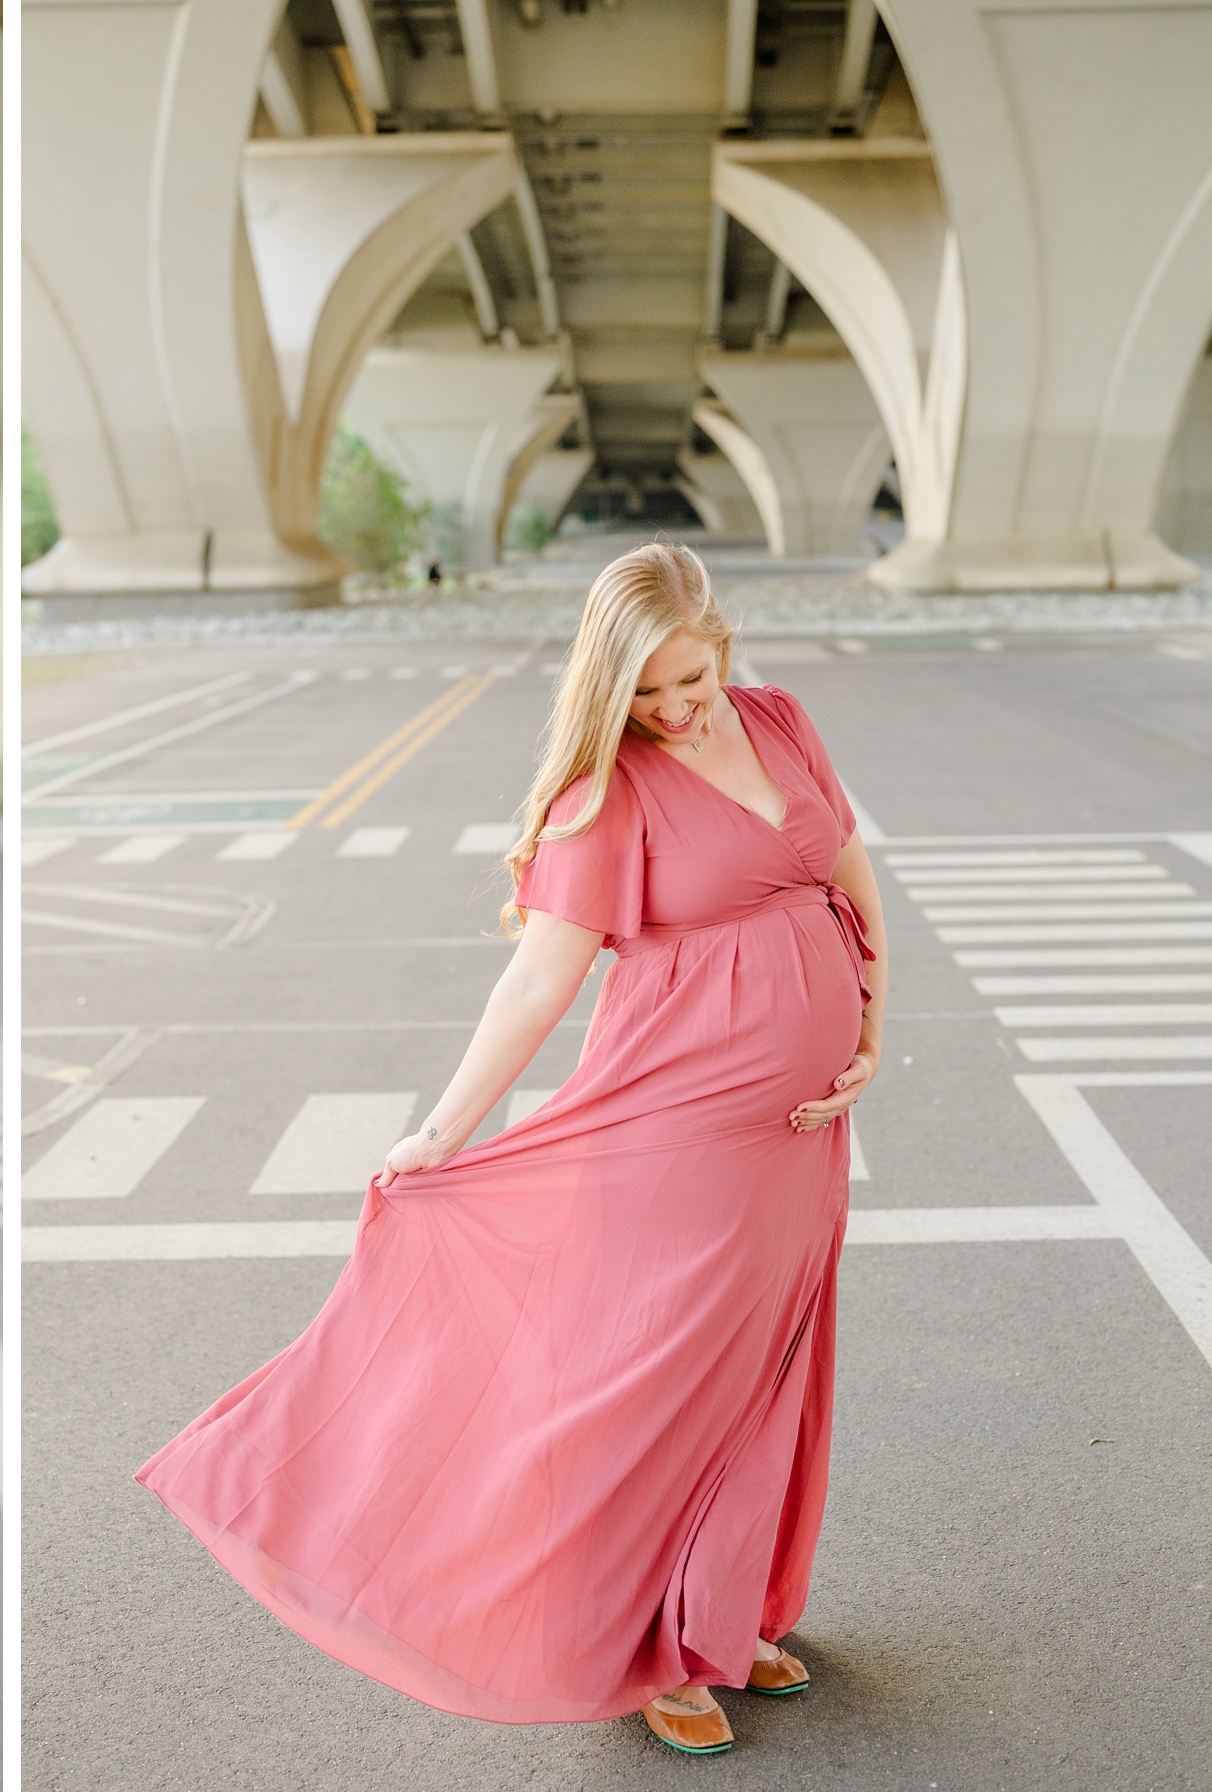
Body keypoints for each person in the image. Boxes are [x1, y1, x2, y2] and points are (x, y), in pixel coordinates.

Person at [138, 543, 886, 1757]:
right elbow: (540, 978)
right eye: (646, 695)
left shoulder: (779, 722)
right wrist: (443, 1130)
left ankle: (723, 1611)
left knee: (767, 1370)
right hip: (675, 1133)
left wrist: (870, 1016)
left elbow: (845, 868)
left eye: (690, 680)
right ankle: (648, 1647)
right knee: (658, 1387)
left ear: (722, 645)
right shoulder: (604, 794)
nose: (677, 711)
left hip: (798, 1135)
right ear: (607, 689)